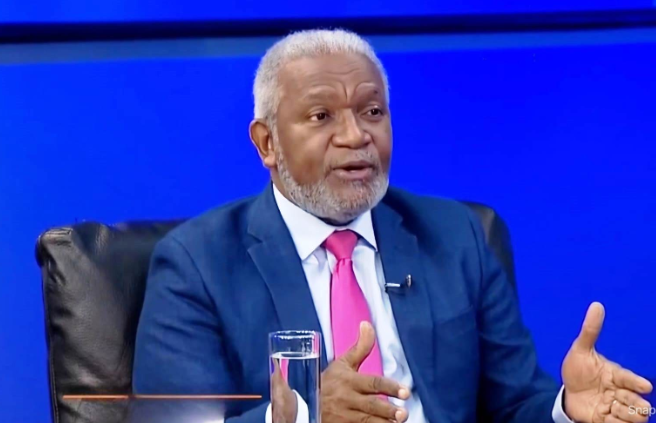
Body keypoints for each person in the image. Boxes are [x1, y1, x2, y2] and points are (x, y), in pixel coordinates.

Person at [132, 29, 652, 423]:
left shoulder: (456, 235)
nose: (356, 135)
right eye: (322, 116)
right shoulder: (197, 263)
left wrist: (566, 408)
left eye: (372, 111)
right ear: (267, 143)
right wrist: (306, 415)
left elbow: (515, 403)